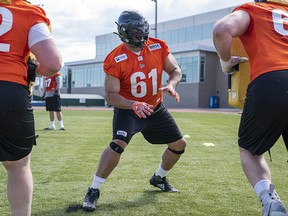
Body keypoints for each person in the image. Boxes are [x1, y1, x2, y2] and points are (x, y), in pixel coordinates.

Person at [82, 10, 187, 212]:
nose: (140, 34)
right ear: (124, 32)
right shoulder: (115, 58)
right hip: (129, 109)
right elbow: (111, 95)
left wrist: (172, 84)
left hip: (155, 107)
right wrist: (133, 104)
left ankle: (159, 178)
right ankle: (93, 190)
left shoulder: (158, 46)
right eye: (134, 30)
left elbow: (175, 70)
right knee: (117, 145)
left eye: (142, 29)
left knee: (179, 144)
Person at [213, 0, 288, 215]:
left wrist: (226, 62)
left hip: (272, 78)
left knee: (250, 150)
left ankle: (270, 201)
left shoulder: (254, 10)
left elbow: (222, 30)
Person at [0, 0, 62, 215]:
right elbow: (53, 63)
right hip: (10, 90)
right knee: (18, 166)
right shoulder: (29, 12)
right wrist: (35, 69)